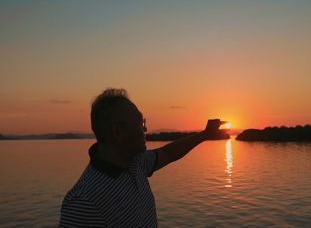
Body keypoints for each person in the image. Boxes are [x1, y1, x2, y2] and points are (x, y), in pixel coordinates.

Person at [59, 88, 228, 227]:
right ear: (118, 131)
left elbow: (167, 153)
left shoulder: (135, 163)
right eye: (140, 123)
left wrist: (204, 135)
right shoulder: (84, 202)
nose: (145, 130)